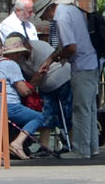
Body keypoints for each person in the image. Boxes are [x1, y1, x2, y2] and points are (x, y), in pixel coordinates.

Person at [47, 0, 103, 158]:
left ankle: (81, 150)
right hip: (93, 62)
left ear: (49, 10)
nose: (46, 20)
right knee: (90, 108)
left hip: (82, 65)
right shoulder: (76, 11)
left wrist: (57, 57)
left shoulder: (62, 18)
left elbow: (71, 47)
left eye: (44, 17)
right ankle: (93, 147)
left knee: (80, 109)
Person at [0, 32, 50, 160]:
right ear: (14, 53)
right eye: (20, 53)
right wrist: (34, 83)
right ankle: (17, 144)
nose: (21, 56)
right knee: (39, 117)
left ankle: (3, 148)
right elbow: (23, 91)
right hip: (9, 105)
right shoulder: (11, 65)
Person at [30, 8, 73, 153]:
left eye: (43, 15)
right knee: (47, 115)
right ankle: (45, 146)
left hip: (61, 77)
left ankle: (71, 144)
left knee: (66, 112)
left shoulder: (60, 21)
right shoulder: (55, 23)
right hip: (46, 86)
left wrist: (32, 84)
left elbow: (40, 72)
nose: (44, 19)